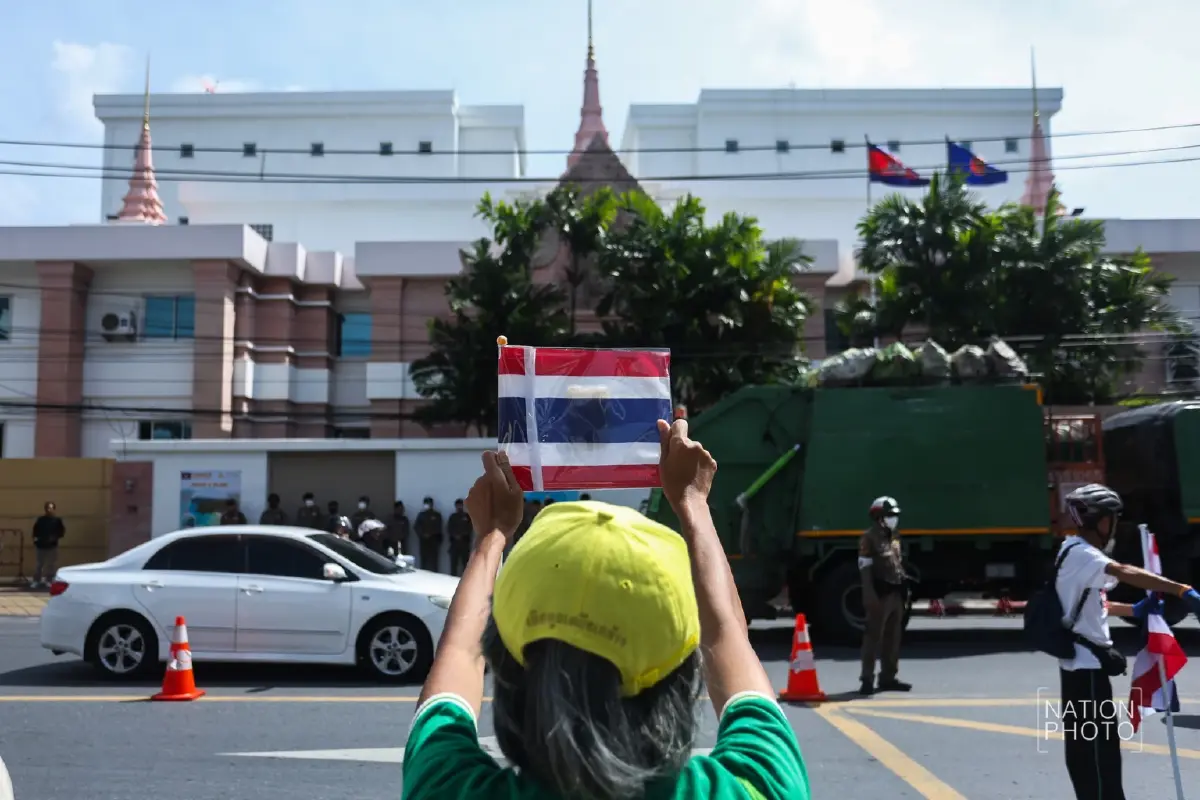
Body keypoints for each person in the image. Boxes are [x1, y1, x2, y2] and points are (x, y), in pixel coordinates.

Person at [400, 419, 810, 799]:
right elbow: (726, 636)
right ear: (687, 677)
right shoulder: (757, 786)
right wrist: (693, 503)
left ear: (504, 670)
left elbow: (458, 652)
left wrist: (493, 536)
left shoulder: (448, 787)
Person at [1055, 484, 1200, 800]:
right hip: (1086, 671)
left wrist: (1133, 609)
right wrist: (1180, 589)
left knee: (1097, 753)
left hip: (1084, 669)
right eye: (1111, 518)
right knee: (1096, 757)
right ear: (1098, 521)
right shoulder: (1082, 554)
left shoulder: (1073, 553)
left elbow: (1098, 603)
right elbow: (1122, 571)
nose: (1114, 525)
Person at [858, 496, 911, 696]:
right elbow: (864, 569)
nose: (893, 519)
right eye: (889, 515)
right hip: (879, 595)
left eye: (894, 516)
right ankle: (867, 679)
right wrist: (869, 595)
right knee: (873, 637)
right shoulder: (869, 538)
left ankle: (888, 677)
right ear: (878, 517)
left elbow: (898, 563)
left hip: (896, 593)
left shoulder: (895, 536)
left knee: (893, 637)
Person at [30, 501, 65, 589]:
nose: (49, 510)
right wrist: (36, 540)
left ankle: (49, 580)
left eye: (51, 508)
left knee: (51, 564)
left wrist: (54, 537)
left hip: (52, 546)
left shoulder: (57, 520)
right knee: (39, 564)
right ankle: (36, 581)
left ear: (54, 509)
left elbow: (61, 532)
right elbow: (35, 531)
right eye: (47, 508)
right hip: (41, 545)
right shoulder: (41, 520)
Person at [415, 496, 443, 572]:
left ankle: (435, 575)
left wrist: (430, 534)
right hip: (423, 541)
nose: (427, 505)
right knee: (423, 559)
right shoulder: (421, 515)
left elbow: (438, 527)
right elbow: (417, 526)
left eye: (429, 503)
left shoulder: (437, 515)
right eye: (426, 503)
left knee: (434, 560)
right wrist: (423, 534)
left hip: (433, 541)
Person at [446, 498, 473, 577]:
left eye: (460, 505)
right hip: (454, 544)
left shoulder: (467, 516)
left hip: (464, 543)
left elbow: (470, 528)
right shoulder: (452, 517)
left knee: (465, 564)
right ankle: (452, 579)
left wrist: (462, 535)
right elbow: (449, 528)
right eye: (458, 505)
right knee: (453, 564)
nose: (459, 507)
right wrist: (455, 535)